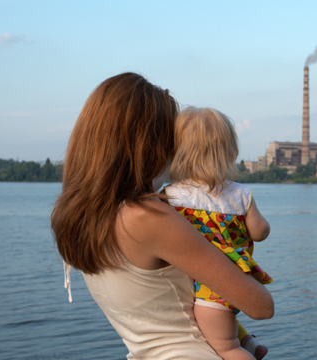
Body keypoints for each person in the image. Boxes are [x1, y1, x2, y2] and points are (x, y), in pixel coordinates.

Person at [51, 73, 274, 360]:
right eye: (172, 140)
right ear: (149, 144)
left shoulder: (80, 218)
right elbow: (261, 306)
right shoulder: (148, 216)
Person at [164, 107, 272, 360]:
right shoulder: (241, 194)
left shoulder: (170, 196)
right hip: (235, 277)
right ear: (230, 152)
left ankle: (242, 349)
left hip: (207, 285)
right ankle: (249, 343)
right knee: (223, 328)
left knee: (225, 348)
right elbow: (260, 233)